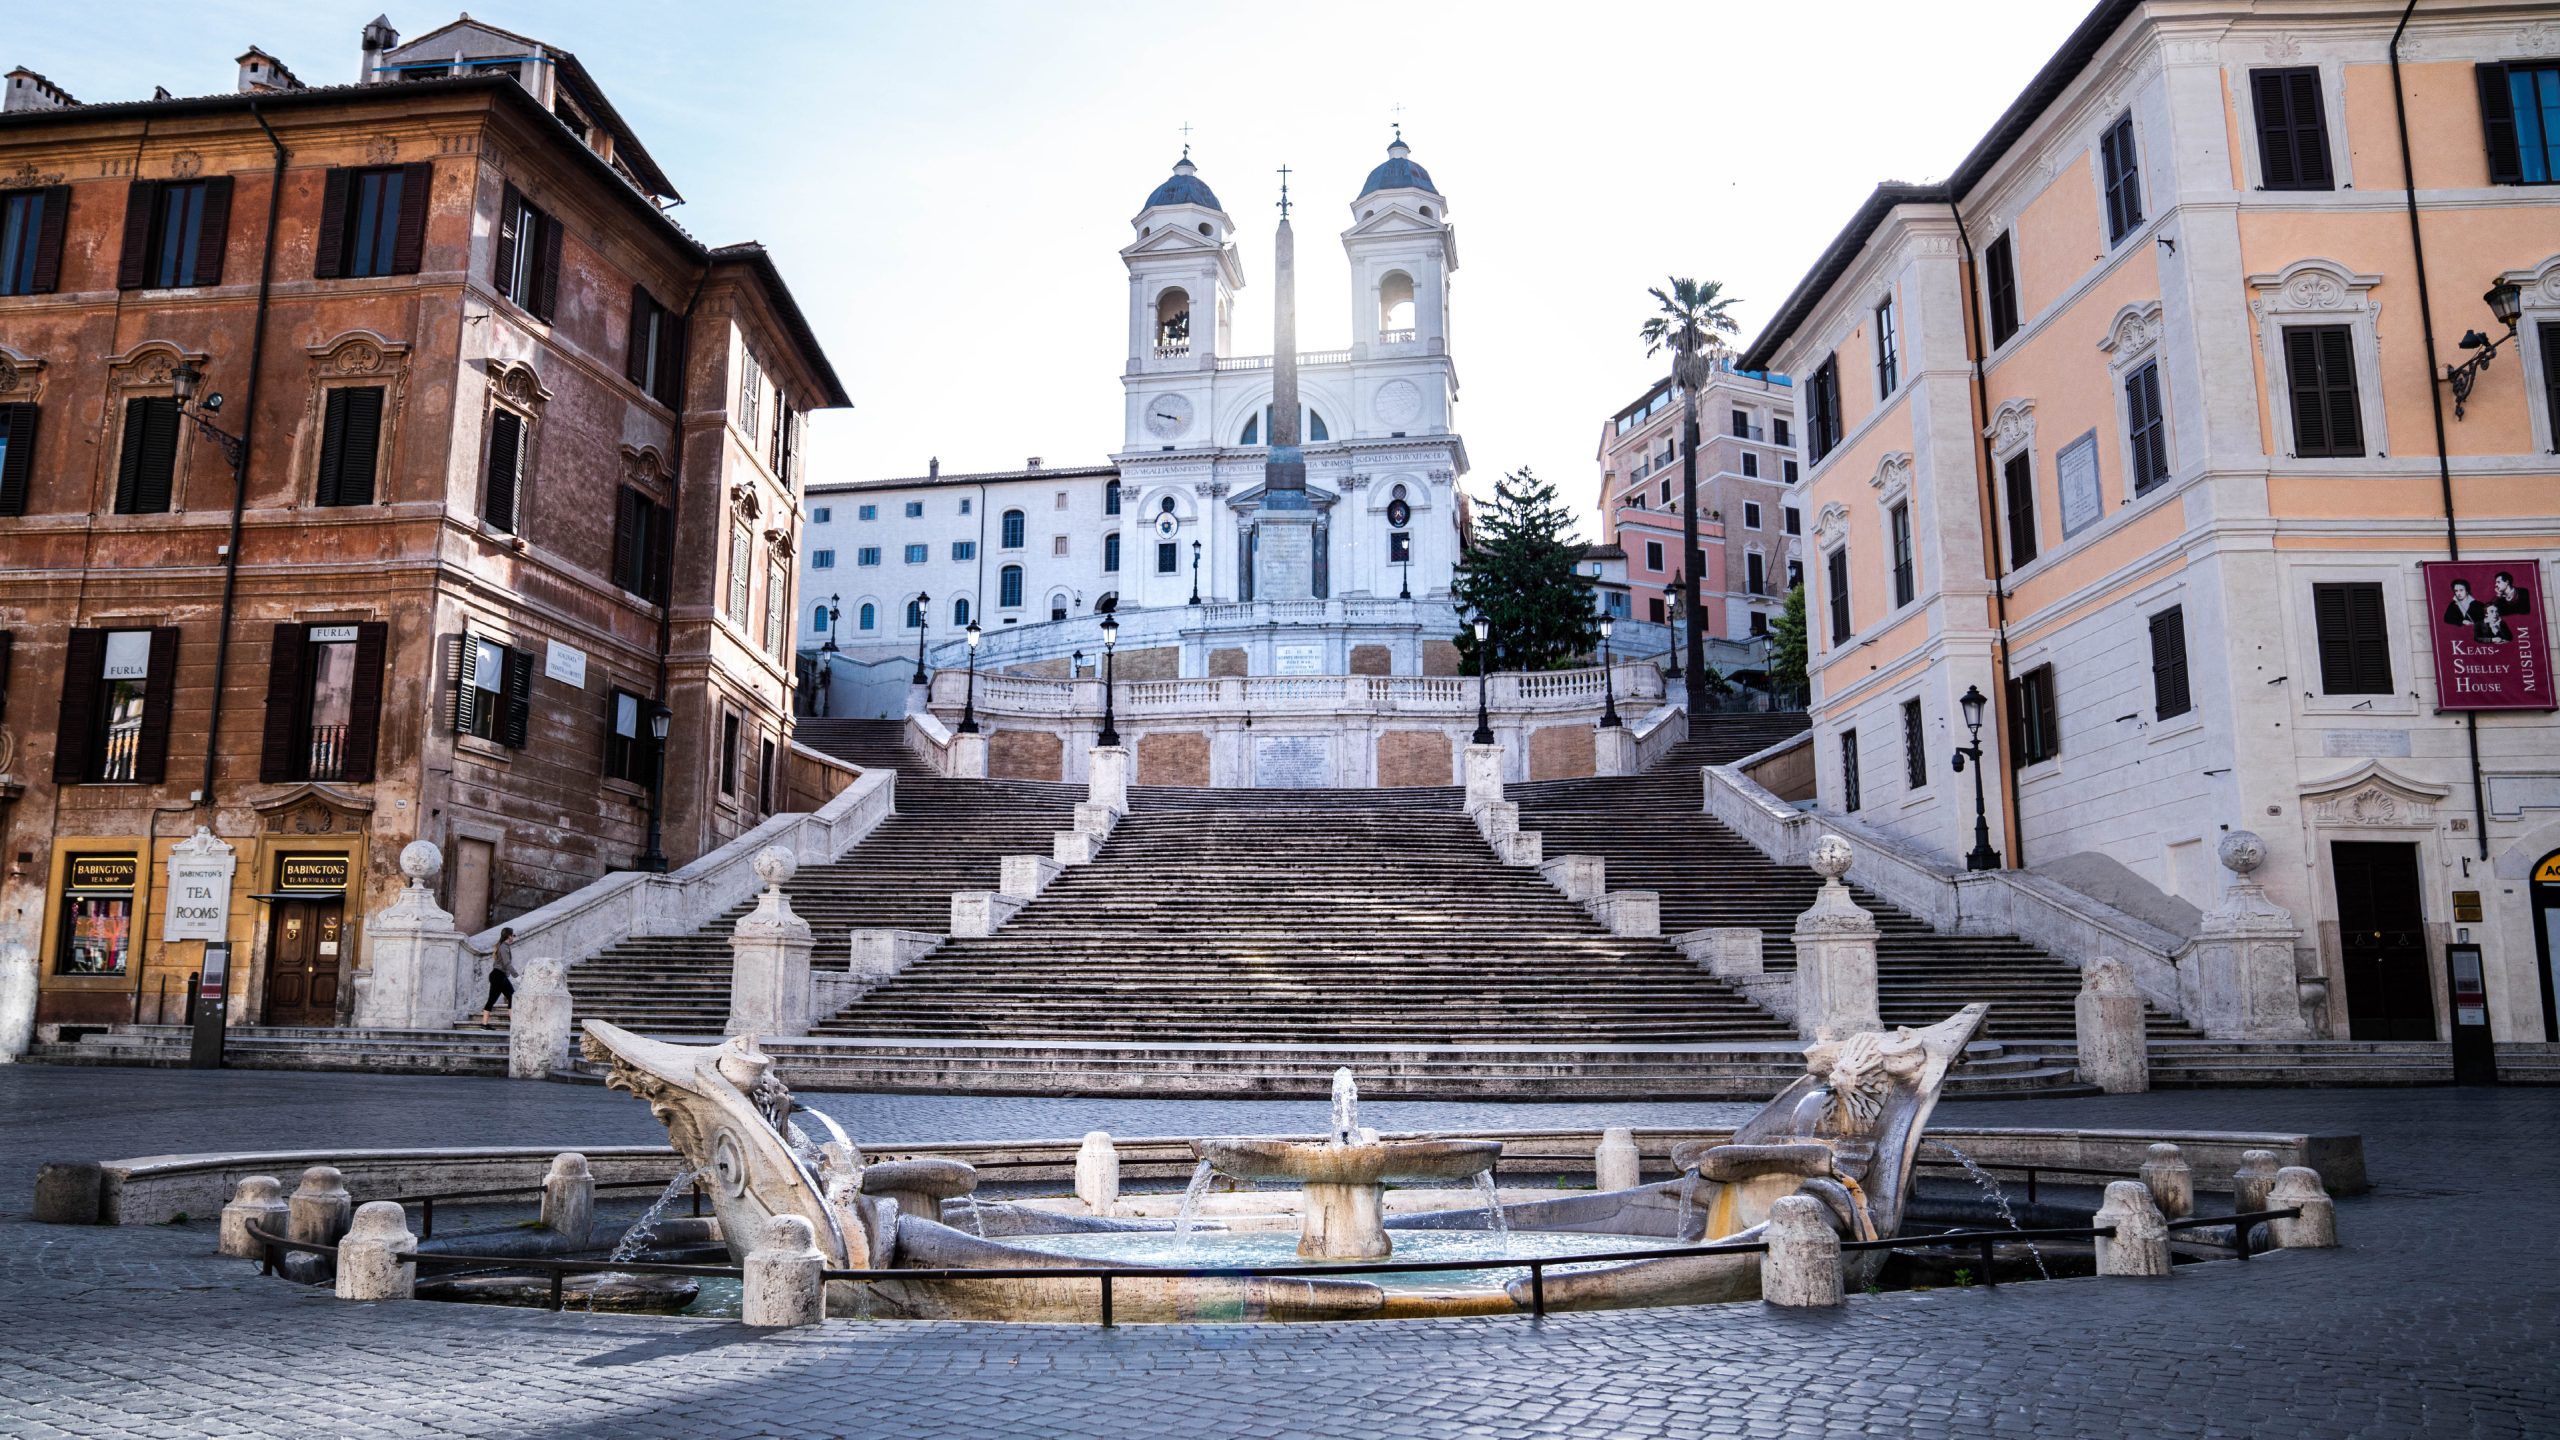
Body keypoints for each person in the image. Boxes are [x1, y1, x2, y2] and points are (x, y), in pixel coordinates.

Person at [477, 926, 517, 1024]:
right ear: (509, 936)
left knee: (492, 999)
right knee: (512, 996)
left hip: (497, 975)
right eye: (513, 935)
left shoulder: (502, 945)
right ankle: (514, 1024)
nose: (514, 937)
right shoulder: (504, 947)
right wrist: (517, 976)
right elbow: (507, 963)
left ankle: (484, 1024)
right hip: (499, 976)